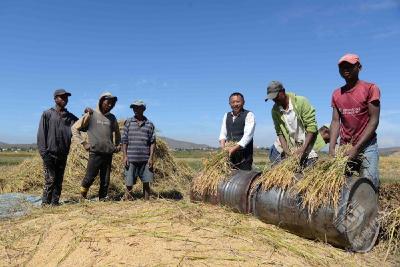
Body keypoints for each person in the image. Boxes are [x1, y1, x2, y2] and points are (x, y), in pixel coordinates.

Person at [329, 53, 380, 189]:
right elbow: (335, 122)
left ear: (359, 67)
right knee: (345, 186)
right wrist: (332, 147)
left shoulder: (370, 88)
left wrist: (357, 148)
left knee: (369, 185)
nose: (345, 69)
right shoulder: (336, 94)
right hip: (346, 148)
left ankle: (370, 210)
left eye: (349, 66)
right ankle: (349, 210)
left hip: (367, 146)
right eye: (342, 67)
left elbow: (374, 121)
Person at [72, 92, 121, 200]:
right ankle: (82, 196)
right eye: (108, 102)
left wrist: (118, 145)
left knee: (105, 179)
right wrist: (83, 143)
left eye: (112, 104)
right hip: (95, 152)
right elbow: (74, 128)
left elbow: (117, 132)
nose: (110, 105)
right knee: (89, 177)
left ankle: (102, 198)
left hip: (108, 153)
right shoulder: (91, 114)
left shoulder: (112, 118)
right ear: (101, 101)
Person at [37, 89, 78, 206]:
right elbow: (41, 135)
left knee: (59, 181)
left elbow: (82, 126)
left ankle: (55, 203)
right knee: (50, 179)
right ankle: (45, 203)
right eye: (62, 97)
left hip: (63, 154)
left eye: (66, 97)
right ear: (55, 99)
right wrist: (44, 154)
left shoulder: (70, 117)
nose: (65, 99)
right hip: (49, 154)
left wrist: (88, 114)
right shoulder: (47, 114)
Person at [265, 81, 319, 167]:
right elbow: (280, 132)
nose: (274, 100)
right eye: (272, 98)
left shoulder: (301, 102)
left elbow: (311, 127)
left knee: (307, 173)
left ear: (283, 91)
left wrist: (302, 150)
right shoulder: (275, 110)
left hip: (305, 144)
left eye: (276, 96)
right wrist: (287, 152)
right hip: (289, 145)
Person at [121, 100, 155, 200]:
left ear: (143, 109)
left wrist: (151, 158)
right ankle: (128, 201)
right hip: (131, 159)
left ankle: (146, 201)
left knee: (146, 182)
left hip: (145, 159)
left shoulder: (149, 124)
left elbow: (152, 142)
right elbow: (124, 140)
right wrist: (125, 156)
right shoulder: (128, 122)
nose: (135, 110)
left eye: (138, 107)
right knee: (129, 182)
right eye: (134, 108)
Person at [219, 92, 255, 170]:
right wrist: (223, 148)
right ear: (229, 103)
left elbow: (248, 135)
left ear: (243, 102)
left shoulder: (249, 115)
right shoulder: (226, 115)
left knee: (244, 178)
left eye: (238, 101)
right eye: (233, 102)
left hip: (244, 156)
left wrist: (235, 148)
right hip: (229, 156)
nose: (235, 104)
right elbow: (223, 133)